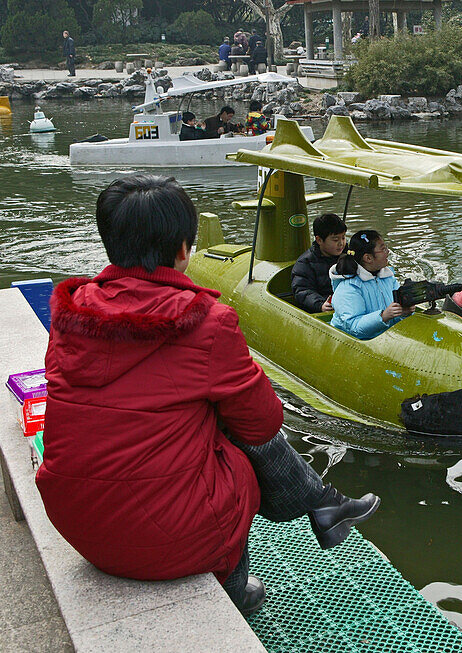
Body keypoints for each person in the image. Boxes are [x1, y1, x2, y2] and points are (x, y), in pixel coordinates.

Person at [34, 174, 380, 616]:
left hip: (79, 526)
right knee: (239, 447)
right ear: (183, 249)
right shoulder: (206, 322)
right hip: (164, 540)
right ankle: (243, 580)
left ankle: (324, 505)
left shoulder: (73, 313)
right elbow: (263, 425)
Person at [330, 230, 415, 339]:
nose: (388, 252)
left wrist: (404, 312)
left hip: (386, 339)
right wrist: (383, 316)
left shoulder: (388, 278)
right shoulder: (348, 287)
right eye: (383, 249)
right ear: (368, 258)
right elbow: (353, 327)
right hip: (352, 343)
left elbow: (395, 318)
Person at [291, 213, 346, 312]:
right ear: (319, 240)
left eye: (343, 238)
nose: (341, 243)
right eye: (335, 240)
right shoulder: (305, 263)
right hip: (325, 307)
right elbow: (302, 290)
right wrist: (320, 304)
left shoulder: (350, 255)